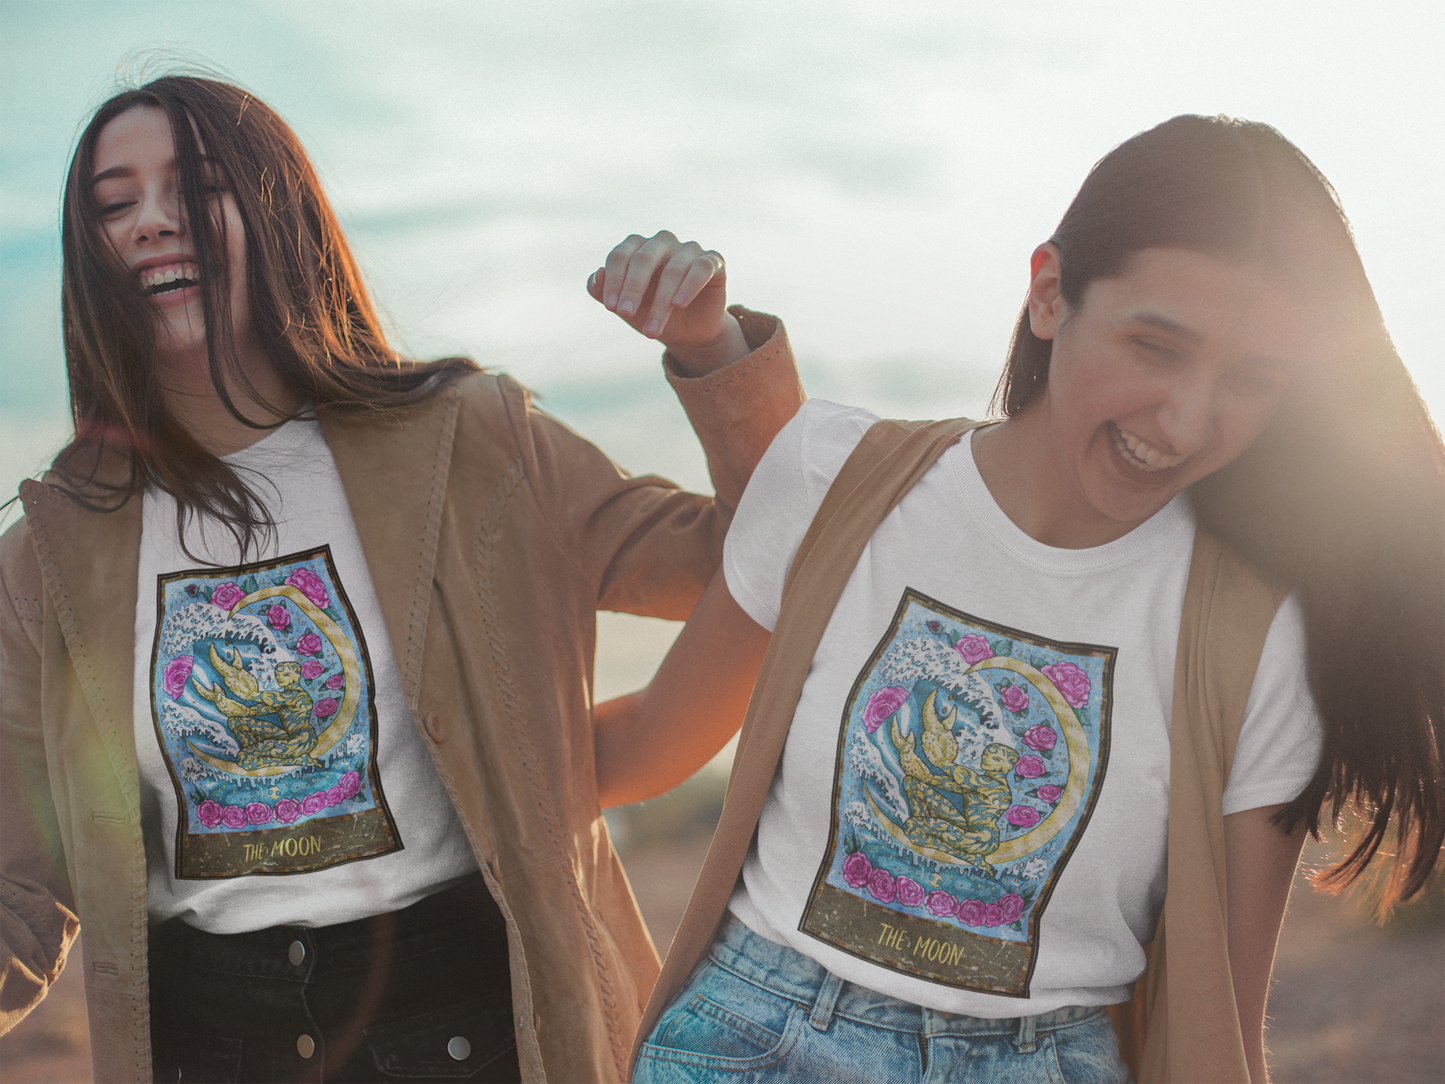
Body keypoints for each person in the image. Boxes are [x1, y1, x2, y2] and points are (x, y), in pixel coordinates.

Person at [596, 115, 1445, 1082]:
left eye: (1251, 379)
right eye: (1156, 345)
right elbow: (637, 748)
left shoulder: (1254, 630)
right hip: (754, 1042)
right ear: (1048, 294)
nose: (1187, 419)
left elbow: (1219, 1017)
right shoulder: (834, 477)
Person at [0, 73, 806, 1083]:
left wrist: (709, 348)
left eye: (193, 188)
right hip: (209, 1044)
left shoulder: (465, 444)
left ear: (273, 206)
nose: (153, 224)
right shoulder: (50, 558)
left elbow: (755, 549)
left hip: (478, 1027)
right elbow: (20, 896)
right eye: (115, 205)